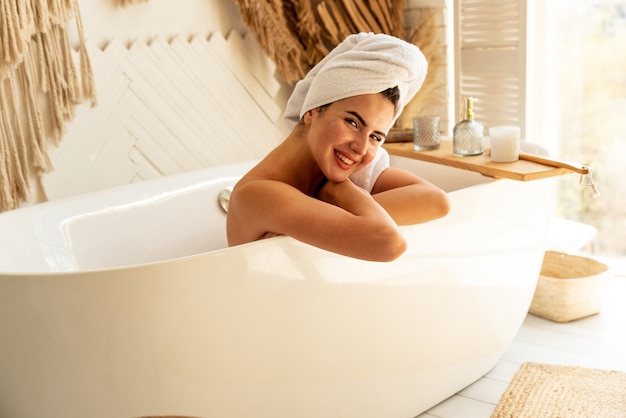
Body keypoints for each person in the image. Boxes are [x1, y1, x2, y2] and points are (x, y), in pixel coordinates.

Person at [227, 32, 450, 262]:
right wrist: (338, 193)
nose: (361, 147)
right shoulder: (257, 194)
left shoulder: (330, 171)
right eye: (352, 122)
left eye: (375, 136)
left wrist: (336, 196)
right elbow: (389, 242)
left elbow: (437, 201)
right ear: (312, 111)